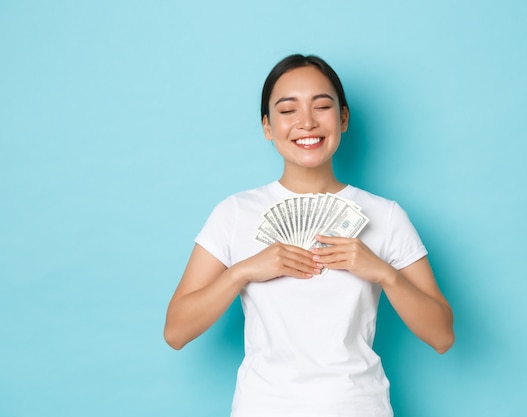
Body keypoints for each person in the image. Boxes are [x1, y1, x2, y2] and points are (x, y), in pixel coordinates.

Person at [164, 54, 454, 417]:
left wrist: (383, 272)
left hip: (359, 407)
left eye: (322, 106)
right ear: (267, 127)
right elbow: (176, 331)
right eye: (288, 111)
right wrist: (243, 272)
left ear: (343, 118)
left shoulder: (386, 215)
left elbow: (442, 336)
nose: (306, 122)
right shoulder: (234, 212)